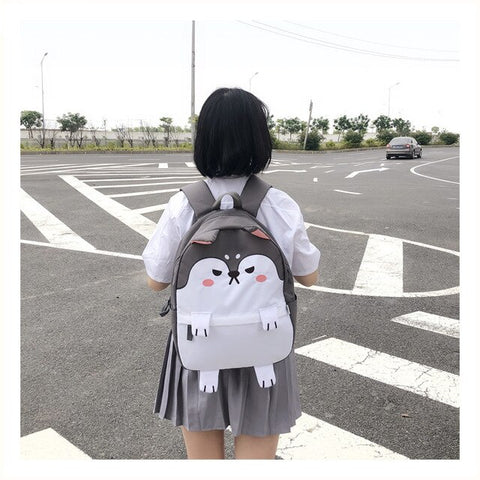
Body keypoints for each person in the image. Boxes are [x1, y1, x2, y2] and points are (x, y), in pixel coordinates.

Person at [142, 87, 320, 459]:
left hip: (198, 343)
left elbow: (156, 280)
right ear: (260, 138)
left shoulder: (183, 205)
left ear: (203, 139)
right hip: (264, 347)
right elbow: (309, 275)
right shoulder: (277, 203)